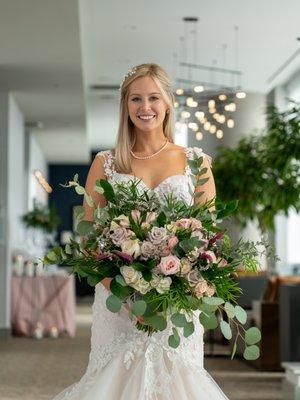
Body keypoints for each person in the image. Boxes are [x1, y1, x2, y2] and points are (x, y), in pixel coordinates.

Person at [52, 63, 228, 399]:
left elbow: (208, 242)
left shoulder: (195, 162)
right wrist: (126, 295)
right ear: (125, 105)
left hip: (176, 304)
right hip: (118, 304)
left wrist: (178, 290)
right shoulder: (106, 162)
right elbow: (91, 242)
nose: (144, 107)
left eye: (153, 98)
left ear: (167, 104)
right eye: (136, 99)